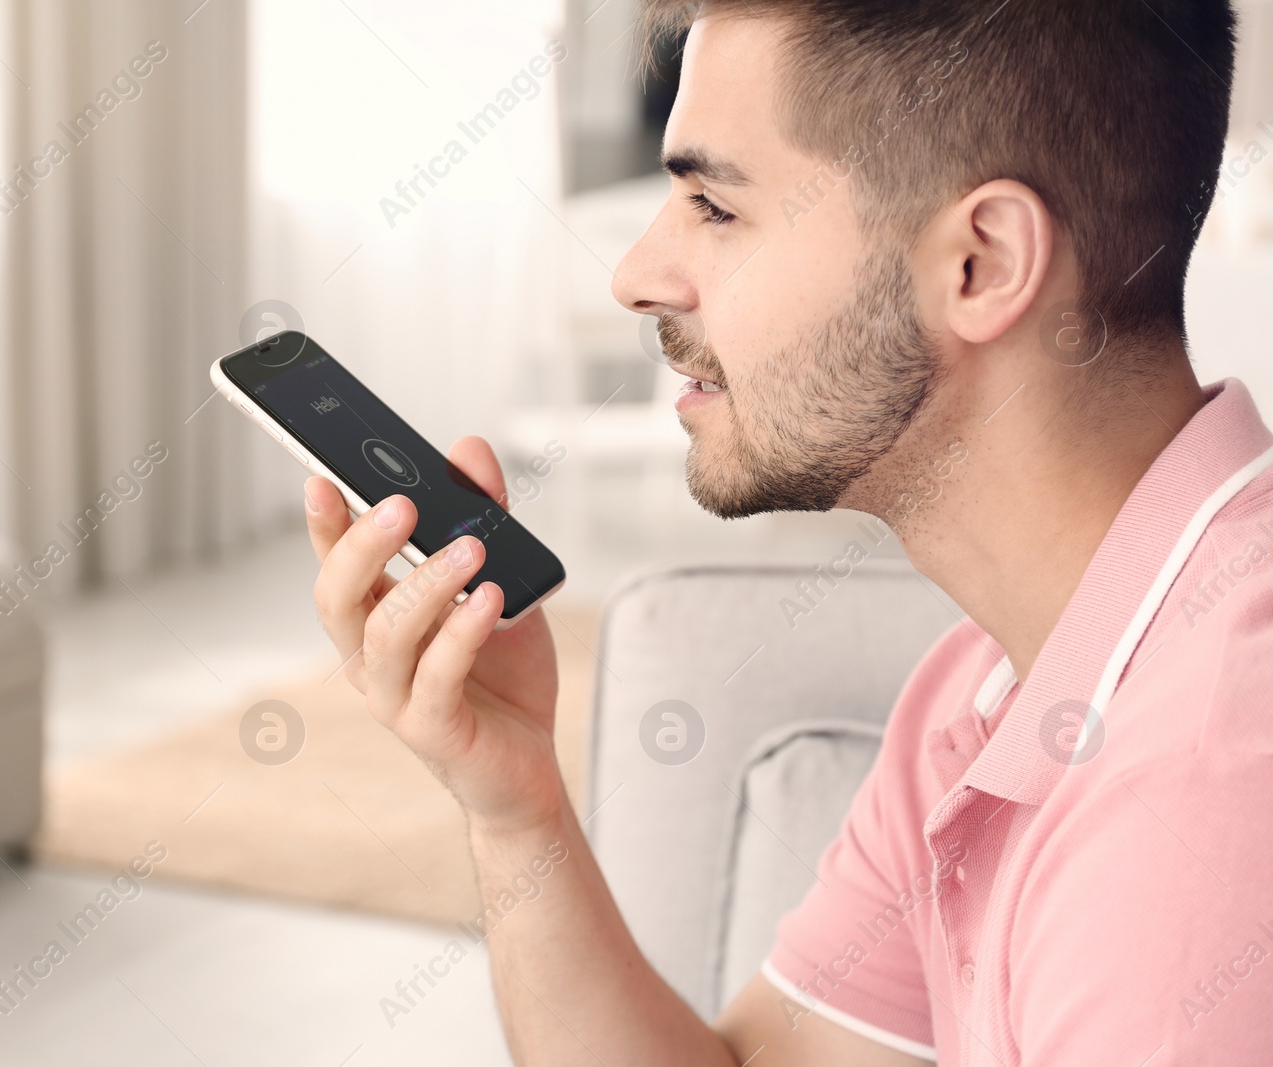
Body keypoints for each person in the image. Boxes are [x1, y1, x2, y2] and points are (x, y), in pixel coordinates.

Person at [303, 1, 1271, 1062]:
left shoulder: (1206, 790)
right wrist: (515, 806)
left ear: (981, 262)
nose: (634, 275)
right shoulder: (987, 688)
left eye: (714, 206)